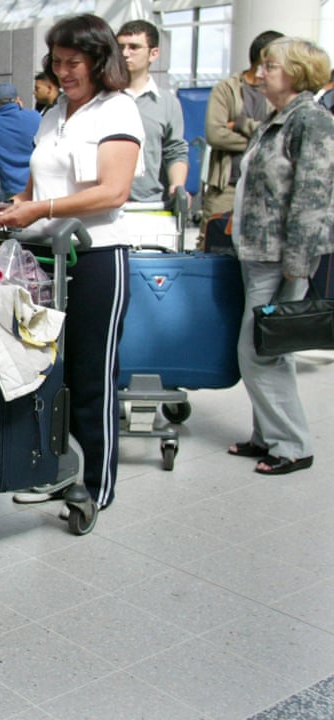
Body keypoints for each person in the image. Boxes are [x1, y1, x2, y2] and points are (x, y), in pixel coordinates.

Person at [0, 13, 144, 512]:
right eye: (57, 63)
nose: (64, 72)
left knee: (91, 376)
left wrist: (41, 209)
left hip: (96, 259)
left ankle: (95, 485)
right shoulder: (52, 114)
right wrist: (12, 209)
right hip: (44, 259)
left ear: (99, 61)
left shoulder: (117, 111)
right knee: (48, 373)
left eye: (74, 62)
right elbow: (36, 189)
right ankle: (53, 470)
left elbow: (112, 191)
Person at [227, 37, 334, 476]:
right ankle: (267, 435)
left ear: (293, 71)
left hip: (282, 256)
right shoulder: (280, 118)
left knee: (257, 352)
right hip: (259, 252)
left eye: (269, 66)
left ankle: (292, 445)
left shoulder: (311, 120)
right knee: (272, 348)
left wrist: (297, 263)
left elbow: (313, 196)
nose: (260, 73)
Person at [203, 29, 283, 221]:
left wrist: (240, 123)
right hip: (226, 186)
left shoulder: (281, 93)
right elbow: (215, 134)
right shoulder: (226, 88)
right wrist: (264, 139)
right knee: (215, 241)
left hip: (267, 188)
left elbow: (281, 134)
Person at [117, 20, 189, 203]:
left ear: (153, 53)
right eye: (121, 47)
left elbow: (175, 150)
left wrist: (177, 186)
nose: (125, 54)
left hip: (150, 205)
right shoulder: (102, 98)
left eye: (134, 47)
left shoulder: (167, 103)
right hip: (104, 206)